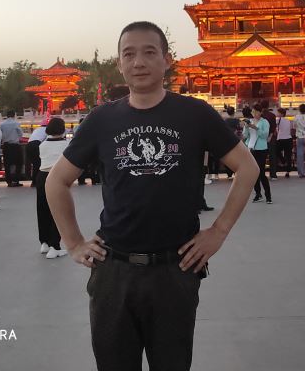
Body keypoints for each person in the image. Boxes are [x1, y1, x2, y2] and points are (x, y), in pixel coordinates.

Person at [45, 21, 258, 371]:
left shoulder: (195, 114)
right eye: (129, 54)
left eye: (149, 52)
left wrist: (218, 231)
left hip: (175, 269)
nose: (139, 62)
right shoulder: (102, 120)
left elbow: (247, 168)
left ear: (166, 60)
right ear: (119, 63)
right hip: (113, 270)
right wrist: (73, 243)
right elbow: (56, 181)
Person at [37, 117, 69, 259]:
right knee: (57, 211)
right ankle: (55, 246)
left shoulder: (42, 144)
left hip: (41, 176)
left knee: (42, 209)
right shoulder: (66, 145)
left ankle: (44, 242)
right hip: (56, 177)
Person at [244, 104, 272, 203]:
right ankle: (258, 194)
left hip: (261, 149)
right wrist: (246, 127)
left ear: (260, 112)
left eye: (256, 111)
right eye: (253, 111)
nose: (254, 113)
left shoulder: (264, 122)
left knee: (261, 172)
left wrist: (256, 128)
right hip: (250, 148)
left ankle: (268, 195)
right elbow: (245, 135)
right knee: (254, 173)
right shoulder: (250, 121)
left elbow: (264, 135)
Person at [0, 111, 24, 186]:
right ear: (14, 115)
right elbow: (21, 133)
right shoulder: (16, 123)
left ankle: (9, 181)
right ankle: (16, 180)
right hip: (15, 145)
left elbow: (0, 135)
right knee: (19, 163)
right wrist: (16, 138)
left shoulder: (2, 124)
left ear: (7, 116)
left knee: (7, 164)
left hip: (6, 146)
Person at [259, 100, 278, 181]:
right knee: (272, 156)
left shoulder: (260, 115)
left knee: (261, 157)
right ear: (268, 106)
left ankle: (261, 174)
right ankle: (273, 175)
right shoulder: (272, 115)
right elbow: (273, 127)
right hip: (271, 138)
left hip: (261, 138)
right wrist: (270, 136)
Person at [27, 122, 47, 187]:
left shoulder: (37, 129)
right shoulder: (47, 130)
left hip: (29, 145)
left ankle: (34, 181)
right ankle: (37, 182)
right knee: (39, 164)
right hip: (36, 145)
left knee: (35, 164)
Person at [274, 108, 294, 177]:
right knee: (288, 155)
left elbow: (273, 125)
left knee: (276, 151)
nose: (277, 113)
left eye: (278, 112)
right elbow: (291, 129)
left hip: (280, 139)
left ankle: (283, 161)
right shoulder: (288, 121)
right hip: (288, 139)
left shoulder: (278, 120)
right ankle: (288, 171)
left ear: (281, 114)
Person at [294, 104, 305, 178]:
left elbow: (294, 126)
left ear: (299, 110)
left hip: (299, 137)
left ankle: (301, 173)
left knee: (300, 155)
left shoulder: (296, 117)